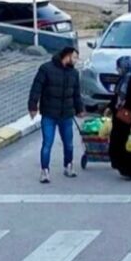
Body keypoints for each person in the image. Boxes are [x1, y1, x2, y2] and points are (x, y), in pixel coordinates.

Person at [28, 46, 82, 183]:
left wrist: (79, 109)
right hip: (49, 114)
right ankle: (45, 171)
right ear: (67, 56)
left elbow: (76, 94)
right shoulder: (46, 69)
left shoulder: (74, 73)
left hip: (66, 115)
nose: (76, 60)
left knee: (69, 143)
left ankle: (68, 166)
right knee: (47, 143)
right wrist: (32, 106)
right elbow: (36, 88)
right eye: (75, 57)